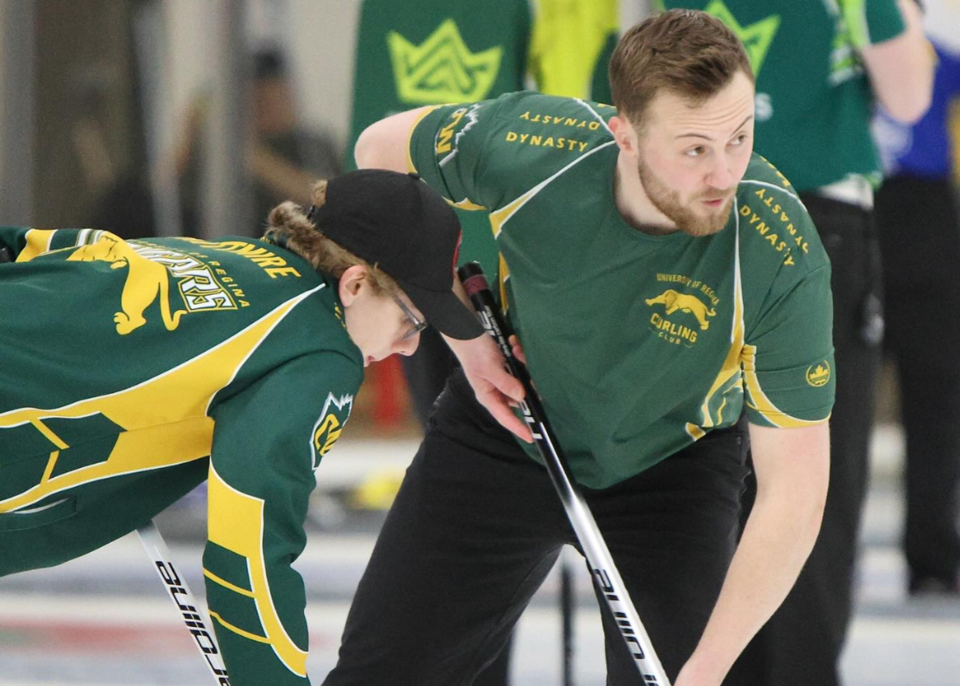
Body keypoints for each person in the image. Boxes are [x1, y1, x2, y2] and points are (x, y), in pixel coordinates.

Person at [323, 10, 834, 686]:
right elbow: (378, 151)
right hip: (511, 428)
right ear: (625, 134)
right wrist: (465, 339)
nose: (724, 173)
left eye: (739, 138)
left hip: (672, 467)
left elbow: (794, 491)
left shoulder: (776, 250)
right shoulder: (534, 147)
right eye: (694, 149)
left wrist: (708, 668)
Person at [0, 169, 518, 686]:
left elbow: (40, 246)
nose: (408, 347)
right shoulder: (318, 350)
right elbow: (249, 553)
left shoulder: (221, 254)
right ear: (356, 284)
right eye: (413, 320)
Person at [654, 1, 934, 683]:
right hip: (781, 219)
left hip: (719, 224)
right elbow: (908, 96)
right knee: (796, 483)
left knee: (725, 476)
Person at [873, 35, 960, 596]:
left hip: (919, 216)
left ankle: (931, 556)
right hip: (860, 208)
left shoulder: (939, 56)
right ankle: (814, 563)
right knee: (823, 406)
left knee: (937, 402)